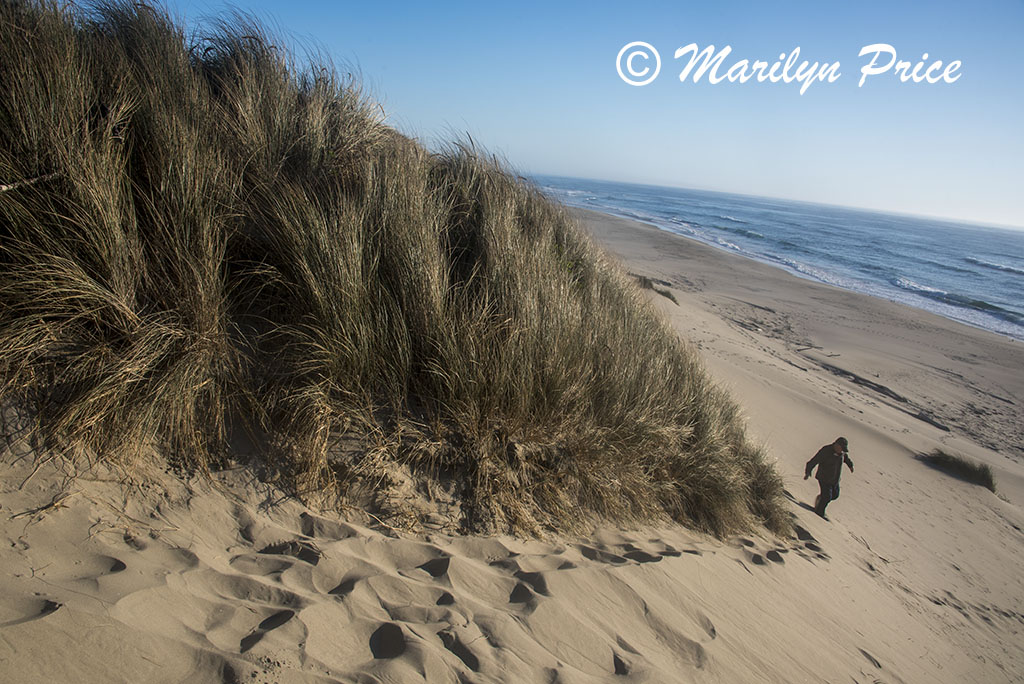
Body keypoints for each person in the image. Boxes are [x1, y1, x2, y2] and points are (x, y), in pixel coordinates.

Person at [804, 437, 854, 519]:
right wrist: (808, 472)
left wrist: (850, 466)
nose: (842, 451)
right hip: (824, 478)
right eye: (841, 449)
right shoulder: (826, 451)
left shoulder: (842, 453)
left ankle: (820, 499)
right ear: (836, 445)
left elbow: (846, 459)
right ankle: (818, 514)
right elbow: (814, 460)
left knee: (835, 495)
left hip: (835, 480)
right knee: (826, 497)